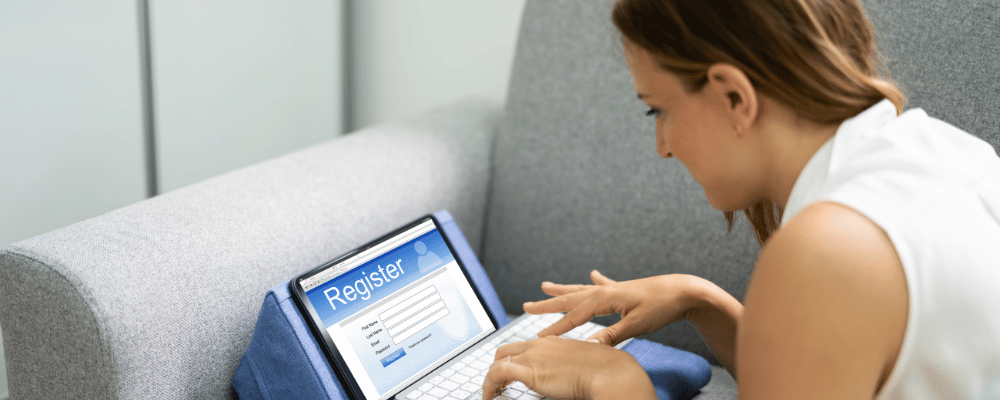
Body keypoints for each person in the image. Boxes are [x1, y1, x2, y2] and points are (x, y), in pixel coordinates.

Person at [482, 0, 1000, 399]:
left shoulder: (830, 254)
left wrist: (622, 388)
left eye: (656, 110)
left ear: (734, 95)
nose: (661, 146)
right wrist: (701, 300)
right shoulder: (946, 153)